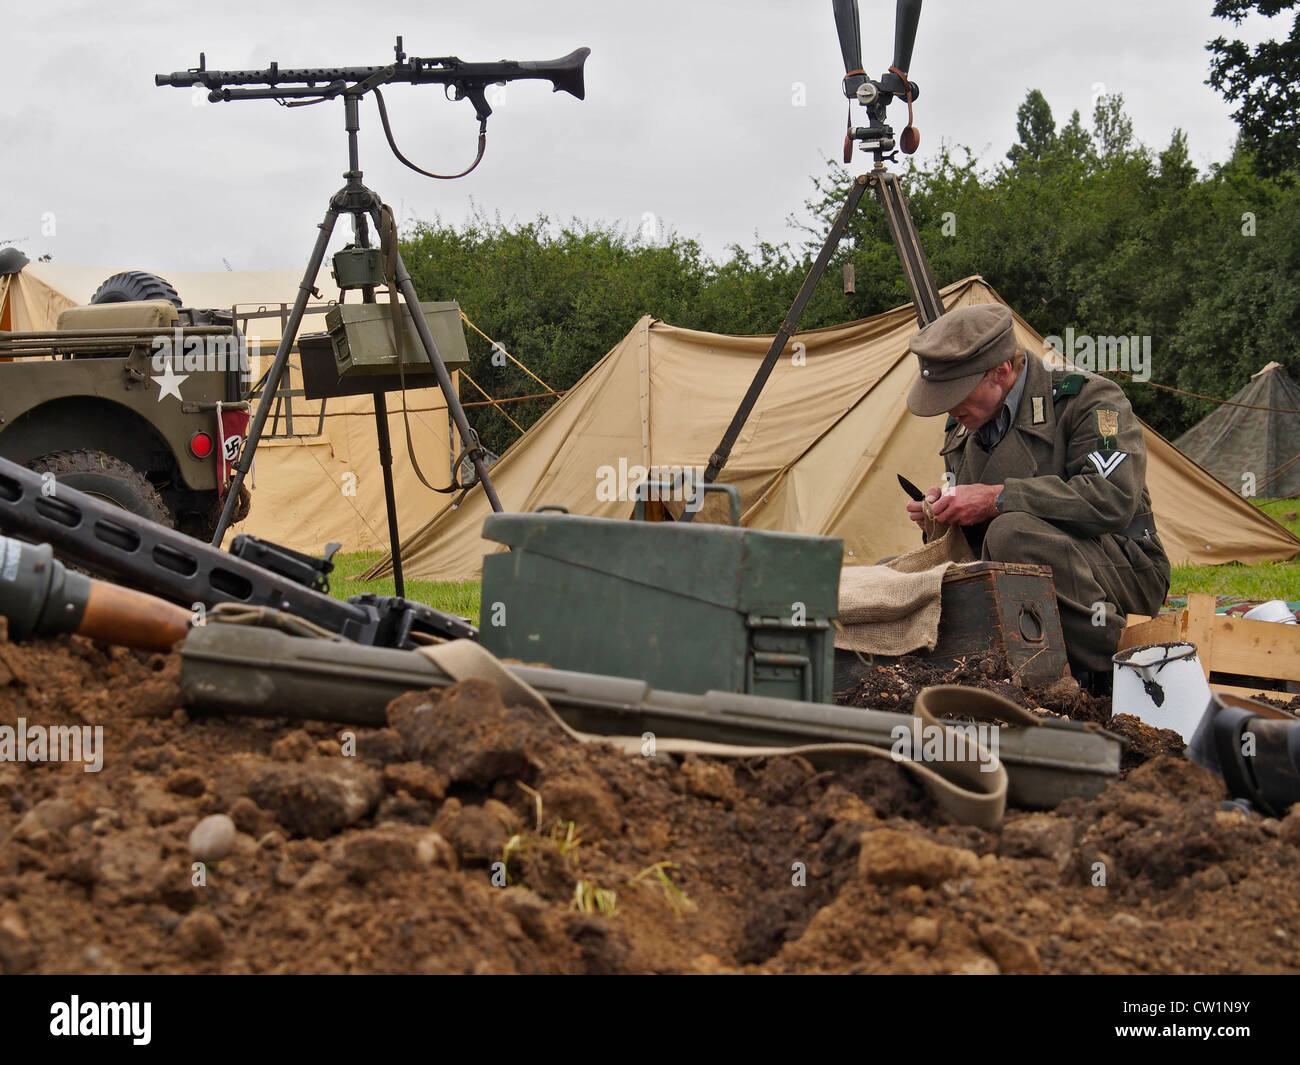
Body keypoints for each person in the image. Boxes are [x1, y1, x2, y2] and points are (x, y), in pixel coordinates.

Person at [903, 304, 1170, 693]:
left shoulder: (1090, 401)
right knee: (901, 576)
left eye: (958, 392)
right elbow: (983, 539)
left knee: (1013, 533)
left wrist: (997, 498)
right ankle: (1004, 665)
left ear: (1001, 370)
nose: (949, 407)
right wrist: (945, 511)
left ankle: (1126, 661)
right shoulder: (962, 429)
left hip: (1121, 566)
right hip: (1027, 571)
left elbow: (1113, 498)